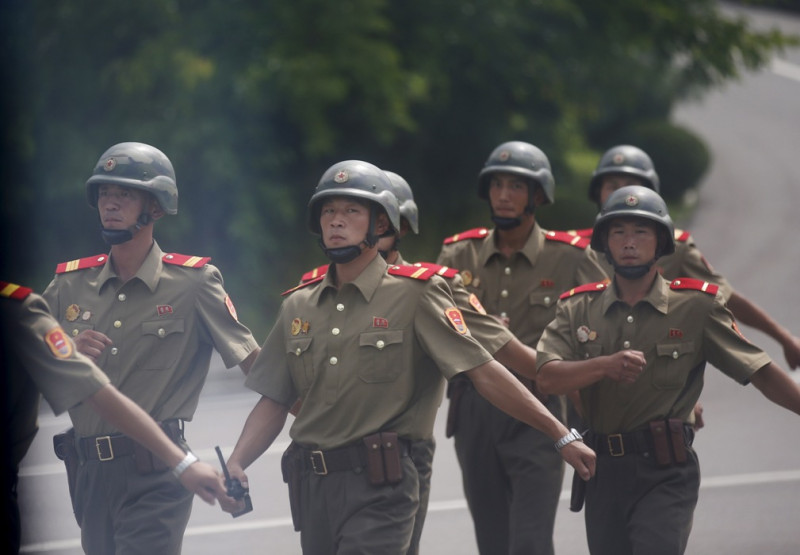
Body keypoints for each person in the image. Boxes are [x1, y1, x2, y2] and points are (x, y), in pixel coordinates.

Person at [218, 160, 596, 554]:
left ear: (381, 224)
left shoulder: (418, 293)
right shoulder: (299, 303)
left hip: (382, 485)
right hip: (313, 488)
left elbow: (484, 371)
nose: (336, 221)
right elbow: (274, 398)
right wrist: (237, 460)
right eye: (328, 210)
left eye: (351, 211)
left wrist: (560, 433)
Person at [302, 169, 558, 554]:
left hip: (400, 450)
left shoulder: (426, 288)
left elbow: (493, 354)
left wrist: (564, 389)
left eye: (384, 220)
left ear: (397, 225)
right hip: (332, 463)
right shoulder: (314, 292)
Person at [536, 185, 800, 555]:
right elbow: (547, 376)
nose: (629, 242)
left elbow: (761, 372)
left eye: (641, 232)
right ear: (605, 243)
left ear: (661, 242)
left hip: (666, 470)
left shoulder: (696, 306)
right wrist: (602, 366)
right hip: (603, 471)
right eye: (619, 232)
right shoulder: (578, 308)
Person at [42, 142, 260, 555]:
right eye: (104, 193)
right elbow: (27, 366)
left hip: (158, 472)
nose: (110, 203)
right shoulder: (68, 286)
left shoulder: (193, 284)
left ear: (156, 208)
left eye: (124, 194)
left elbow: (260, 369)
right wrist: (64, 350)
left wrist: (321, 425)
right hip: (87, 473)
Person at [436, 141, 608, 555]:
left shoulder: (569, 257)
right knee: (492, 540)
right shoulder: (458, 253)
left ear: (538, 195)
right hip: (476, 406)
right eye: (497, 184)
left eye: (516, 185)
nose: (504, 195)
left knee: (529, 541)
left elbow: (607, 324)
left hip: (541, 405)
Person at [1, 281, 228, 555]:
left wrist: (181, 463)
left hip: (151, 474)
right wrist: (183, 463)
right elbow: (92, 390)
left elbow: (92, 390)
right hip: (92, 473)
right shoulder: (44, 295)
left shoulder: (14, 310)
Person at [578, 144, 800, 376]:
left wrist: (784, 338)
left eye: (631, 186)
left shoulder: (674, 247)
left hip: (657, 376)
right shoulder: (572, 250)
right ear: (597, 193)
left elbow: (725, 297)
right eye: (611, 186)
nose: (621, 193)